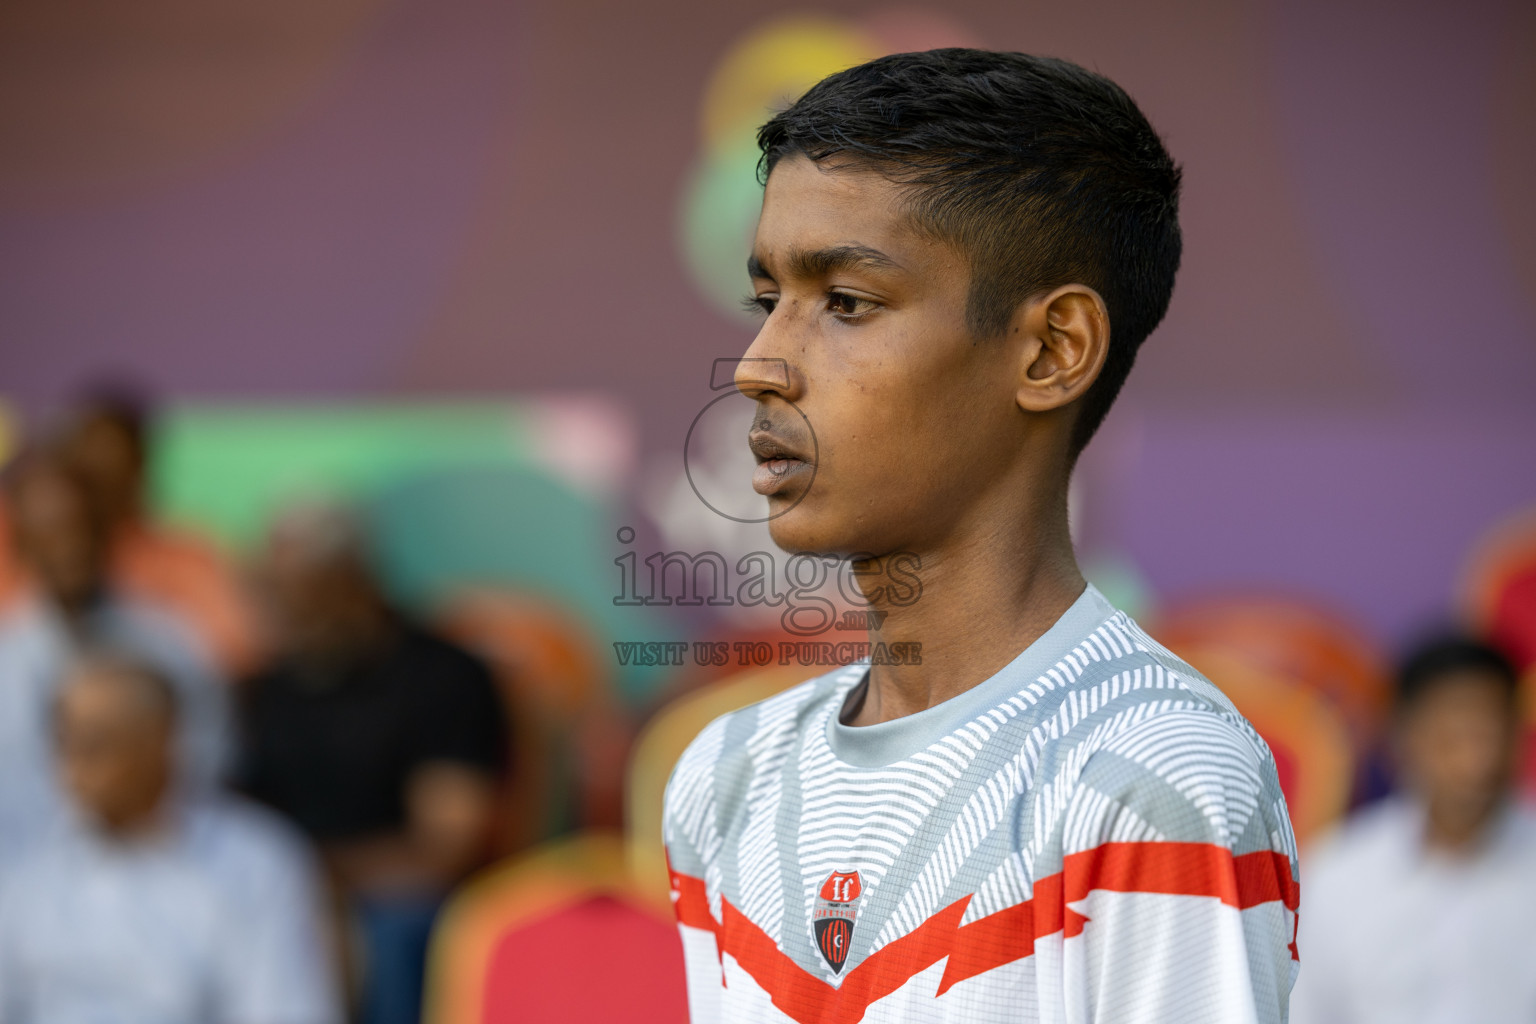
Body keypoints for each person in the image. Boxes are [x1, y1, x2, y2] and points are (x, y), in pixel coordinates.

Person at [662, 49, 1299, 1023]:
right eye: (767, 301)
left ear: (1052, 350)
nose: (758, 364)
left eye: (844, 303)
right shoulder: (726, 773)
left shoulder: (1154, 775)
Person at [238, 500, 507, 1024]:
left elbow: (444, 851)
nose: (289, 611)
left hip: (390, 904)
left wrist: (321, 880)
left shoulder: (443, 678)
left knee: (395, 926)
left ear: (355, 578)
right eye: (275, 590)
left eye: (307, 591)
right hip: (283, 894)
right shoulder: (263, 691)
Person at [0, 653, 342, 1024]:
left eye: (95, 742)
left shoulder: (256, 864)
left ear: (160, 741)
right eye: (65, 741)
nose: (73, 764)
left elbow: (284, 1010)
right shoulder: (26, 865)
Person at [0, 451, 230, 865]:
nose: (68, 552)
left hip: (164, 862)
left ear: (105, 532)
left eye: (78, 531)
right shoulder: (7, 658)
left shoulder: (170, 641)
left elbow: (210, 755)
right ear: (23, 547)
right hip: (30, 876)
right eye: (49, 536)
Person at [1290, 636, 1536, 1024]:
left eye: (1489, 730)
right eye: (1451, 736)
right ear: (1402, 737)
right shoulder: (1338, 874)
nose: (1475, 760)